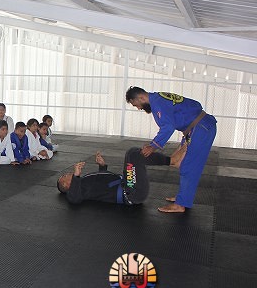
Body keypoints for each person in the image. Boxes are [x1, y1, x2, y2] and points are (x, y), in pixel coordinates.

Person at [125, 86, 217, 213]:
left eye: (136, 105)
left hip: (201, 128)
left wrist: (153, 146)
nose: (139, 108)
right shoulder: (159, 98)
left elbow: (168, 127)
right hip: (196, 128)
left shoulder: (158, 104)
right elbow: (195, 105)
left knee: (189, 167)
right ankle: (183, 197)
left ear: (141, 98)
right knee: (179, 162)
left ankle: (181, 204)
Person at [58, 147, 186, 205]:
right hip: (131, 192)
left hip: (129, 185)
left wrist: (102, 166)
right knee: (133, 154)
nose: (67, 173)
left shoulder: (83, 183)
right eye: (64, 176)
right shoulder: (77, 191)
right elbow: (74, 199)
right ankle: (172, 161)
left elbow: (101, 183)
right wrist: (76, 175)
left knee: (133, 152)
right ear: (65, 184)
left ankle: (171, 160)